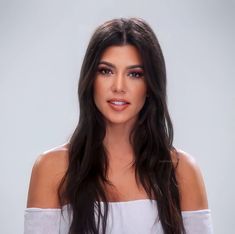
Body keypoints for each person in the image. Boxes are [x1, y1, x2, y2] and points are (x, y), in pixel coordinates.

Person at [24, 18, 214, 234]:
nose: (119, 87)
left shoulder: (181, 171)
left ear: (150, 85)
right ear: (90, 79)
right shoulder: (53, 168)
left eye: (135, 74)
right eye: (106, 71)